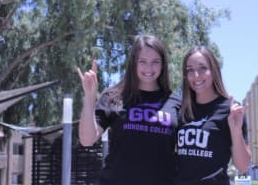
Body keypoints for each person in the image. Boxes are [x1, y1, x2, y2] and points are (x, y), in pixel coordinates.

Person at [77, 34, 181, 185]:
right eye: (143, 61)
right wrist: (89, 96)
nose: (149, 68)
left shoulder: (177, 102)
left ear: (163, 64)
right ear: (133, 63)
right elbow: (87, 140)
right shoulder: (113, 96)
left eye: (155, 62)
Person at [174, 46, 251, 185]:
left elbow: (243, 166)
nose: (196, 75)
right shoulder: (181, 109)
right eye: (190, 70)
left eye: (202, 68)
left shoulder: (230, 110)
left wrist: (235, 130)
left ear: (213, 70)